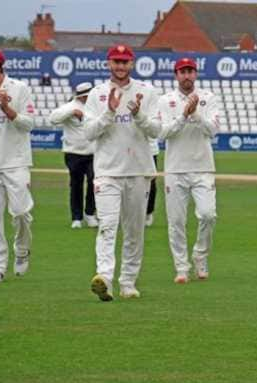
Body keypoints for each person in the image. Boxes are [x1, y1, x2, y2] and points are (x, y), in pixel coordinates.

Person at [84, 44, 158, 301]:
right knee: (107, 225)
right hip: (107, 171)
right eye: (116, 61)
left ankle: (128, 281)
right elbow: (89, 132)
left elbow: (156, 131)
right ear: (108, 64)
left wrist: (138, 115)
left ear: (132, 64)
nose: (120, 66)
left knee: (134, 230)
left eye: (125, 62)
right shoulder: (97, 94)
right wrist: (110, 111)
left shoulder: (146, 92)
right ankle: (104, 277)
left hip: (138, 170)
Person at [139, 57, 220, 284]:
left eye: (190, 71)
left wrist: (195, 114)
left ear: (195, 74)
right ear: (176, 75)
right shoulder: (165, 101)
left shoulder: (208, 98)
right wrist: (184, 116)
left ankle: (200, 257)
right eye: (182, 72)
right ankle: (181, 267)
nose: (186, 75)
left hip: (203, 167)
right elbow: (162, 133)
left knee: (208, 214)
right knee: (176, 221)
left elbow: (213, 130)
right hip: (175, 169)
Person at [0, 49, 37, 284]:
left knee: (22, 213)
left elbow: (29, 124)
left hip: (16, 161)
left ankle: (22, 250)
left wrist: (7, 110)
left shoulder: (19, 88)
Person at [49, 81, 98, 229]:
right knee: (76, 185)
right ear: (81, 96)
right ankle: (76, 217)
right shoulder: (69, 106)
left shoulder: (95, 107)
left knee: (94, 183)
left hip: (94, 152)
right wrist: (71, 112)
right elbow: (53, 118)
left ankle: (90, 214)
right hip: (74, 153)